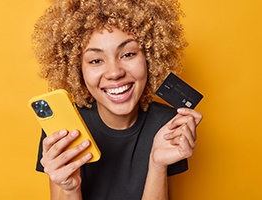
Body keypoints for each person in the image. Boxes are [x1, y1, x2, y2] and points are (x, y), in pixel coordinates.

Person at [32, 0, 203, 199]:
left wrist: (157, 165)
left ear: (149, 57)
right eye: (96, 60)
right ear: (77, 69)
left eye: (128, 54)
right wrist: (70, 189)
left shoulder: (167, 125)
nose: (114, 73)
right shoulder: (63, 130)